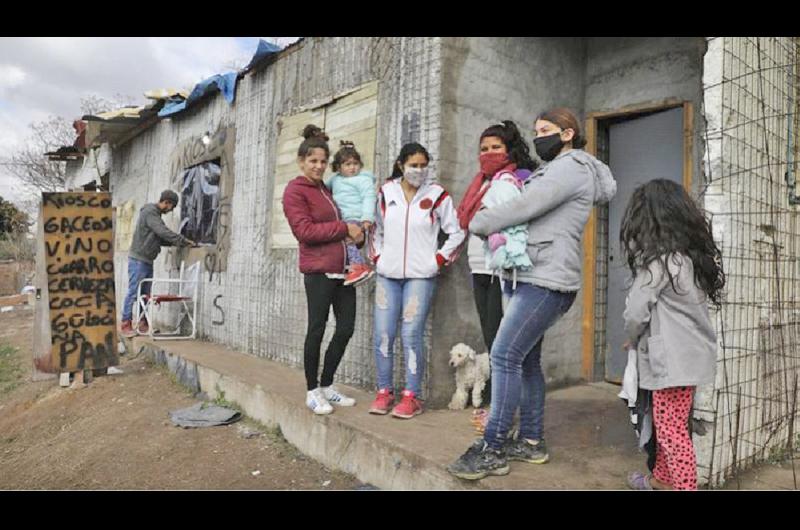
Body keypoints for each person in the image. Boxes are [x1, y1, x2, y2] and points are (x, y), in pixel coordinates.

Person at [448, 108, 617, 480]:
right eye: (536, 130)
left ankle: (493, 447)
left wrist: (479, 222)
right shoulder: (561, 168)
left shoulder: (569, 167)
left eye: (546, 130)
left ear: (568, 133)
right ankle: (530, 441)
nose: (539, 136)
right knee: (524, 362)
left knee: (504, 355)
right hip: (539, 274)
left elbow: (526, 205)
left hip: (547, 280)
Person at [622, 179, 724, 491]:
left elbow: (635, 311)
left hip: (671, 362)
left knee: (670, 430)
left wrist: (632, 335)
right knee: (671, 423)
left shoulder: (658, 263)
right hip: (689, 359)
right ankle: (660, 480)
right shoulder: (687, 259)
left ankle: (684, 487)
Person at [368, 143, 466, 419]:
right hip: (388, 275)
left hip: (420, 278)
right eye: (414, 165)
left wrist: (437, 260)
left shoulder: (437, 196)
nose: (419, 171)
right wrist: (378, 258)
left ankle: (412, 396)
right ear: (401, 165)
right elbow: (376, 230)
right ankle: (384, 392)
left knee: (411, 335)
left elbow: (456, 233)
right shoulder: (386, 193)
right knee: (384, 335)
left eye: (424, 165)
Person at [456, 121, 538, 429]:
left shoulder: (519, 179)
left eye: (496, 148)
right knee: (492, 340)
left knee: (506, 345)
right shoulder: (480, 182)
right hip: (479, 266)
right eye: (484, 149)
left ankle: (506, 413)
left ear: (510, 149)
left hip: (505, 269)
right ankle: (498, 406)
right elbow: (468, 219)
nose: (489, 154)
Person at [282, 125, 363, 415]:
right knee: (316, 329)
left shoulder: (326, 190)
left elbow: (341, 229)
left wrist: (357, 233)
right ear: (302, 161)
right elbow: (304, 231)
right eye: (313, 161)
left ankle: (328, 384)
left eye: (322, 161)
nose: (318, 166)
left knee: (346, 328)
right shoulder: (295, 191)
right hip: (317, 271)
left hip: (343, 270)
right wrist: (344, 228)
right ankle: (312, 390)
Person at [120, 190, 196, 338]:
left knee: (145, 294)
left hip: (147, 261)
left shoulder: (155, 215)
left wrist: (180, 243)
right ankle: (125, 323)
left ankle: (143, 323)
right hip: (138, 260)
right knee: (134, 291)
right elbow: (162, 232)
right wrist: (181, 240)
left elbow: (159, 238)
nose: (171, 210)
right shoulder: (150, 212)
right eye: (171, 207)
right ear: (166, 202)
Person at [326, 140, 377, 286]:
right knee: (342, 242)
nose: (352, 168)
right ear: (338, 167)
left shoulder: (363, 180)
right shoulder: (335, 180)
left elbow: (369, 198)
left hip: (355, 218)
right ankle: (352, 266)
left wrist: (367, 218)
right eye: (347, 164)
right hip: (341, 220)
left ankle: (358, 266)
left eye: (355, 164)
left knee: (348, 240)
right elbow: (323, 189)